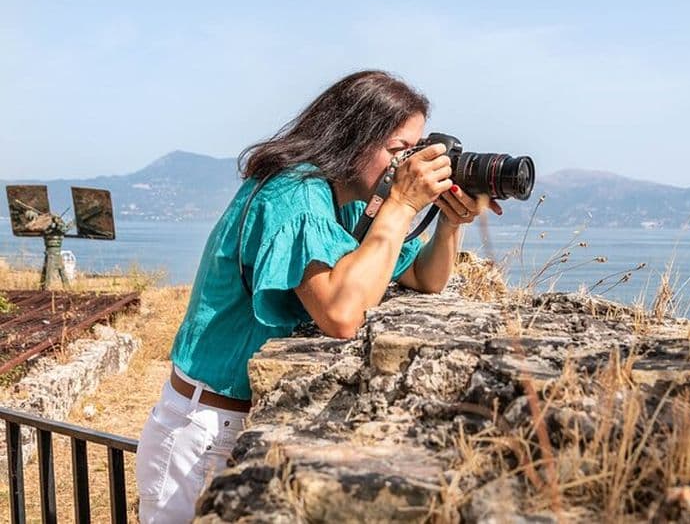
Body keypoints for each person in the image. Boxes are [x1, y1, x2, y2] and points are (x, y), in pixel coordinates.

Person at [134, 70, 503, 523]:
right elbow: (341, 315)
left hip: (242, 421)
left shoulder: (346, 198)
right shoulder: (294, 192)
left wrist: (449, 222)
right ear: (352, 138)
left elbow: (426, 279)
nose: (408, 163)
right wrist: (402, 205)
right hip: (205, 429)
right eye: (398, 150)